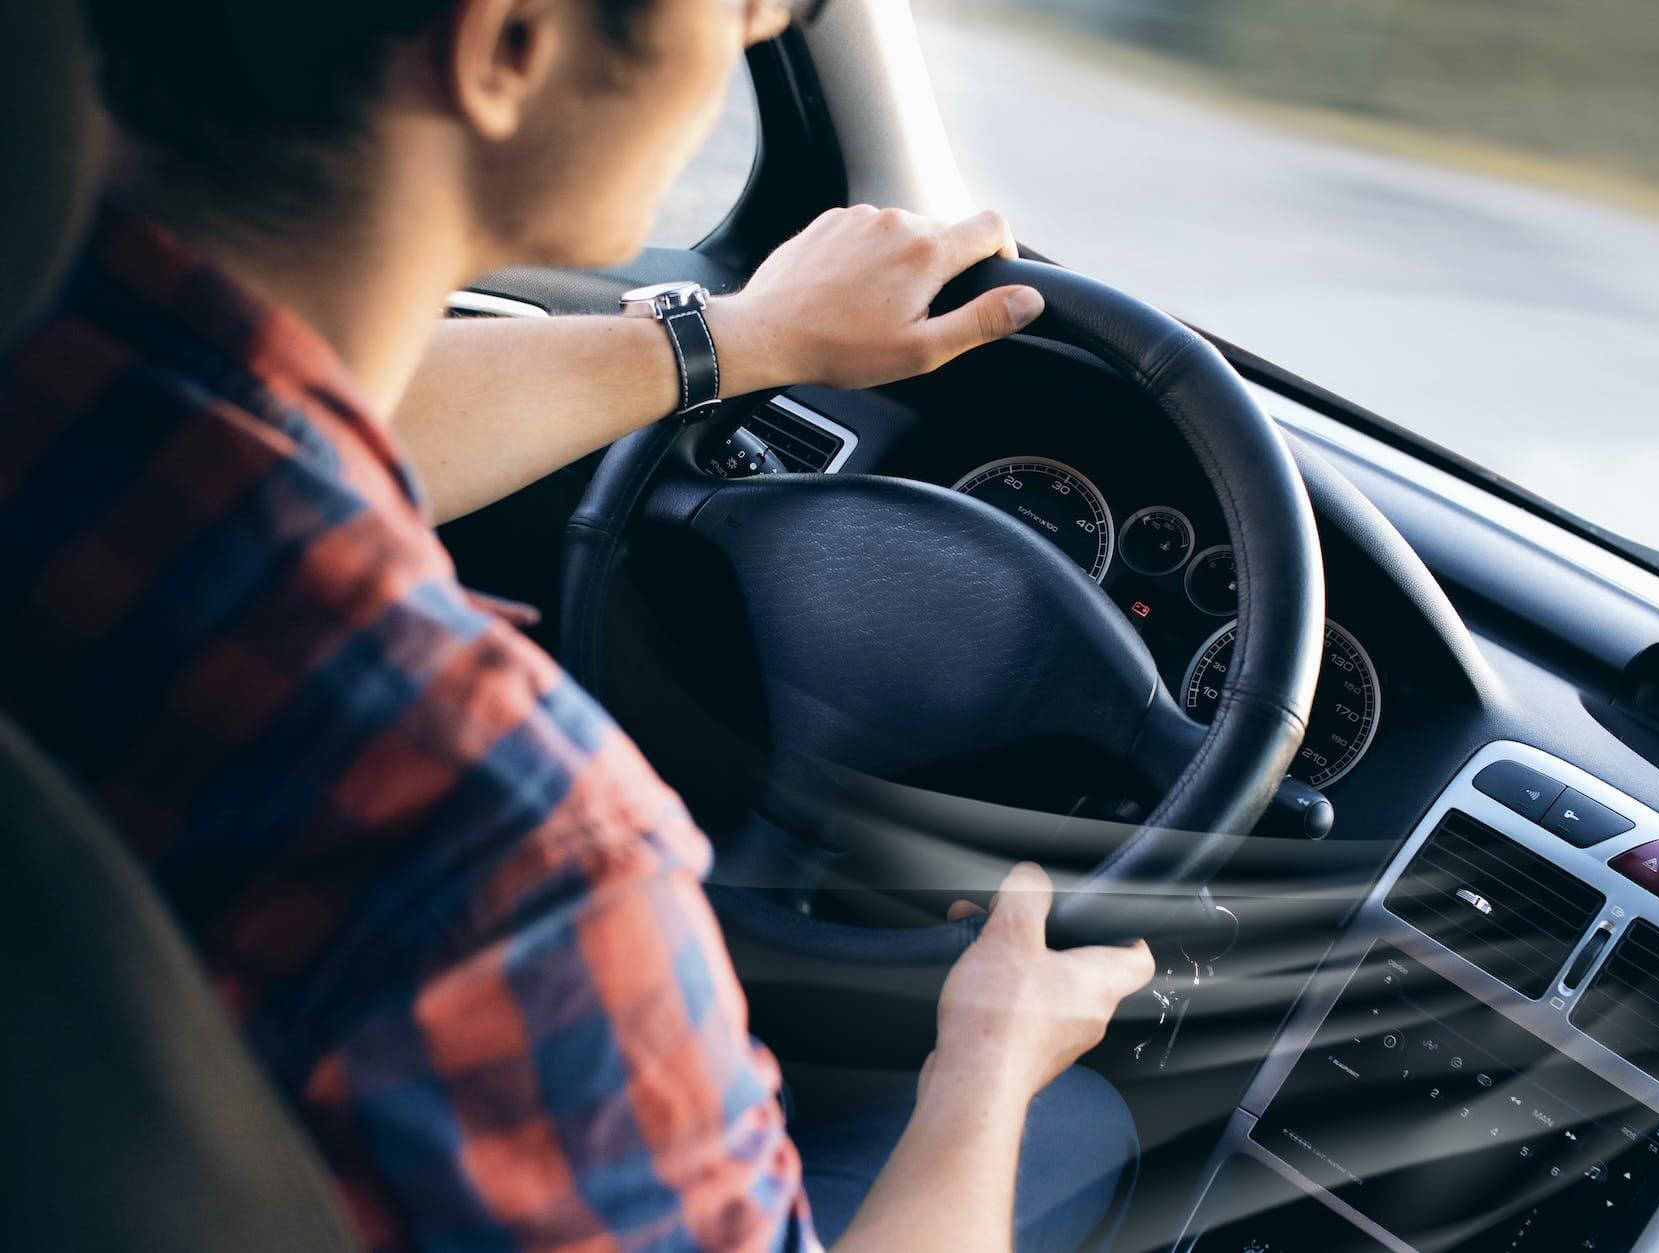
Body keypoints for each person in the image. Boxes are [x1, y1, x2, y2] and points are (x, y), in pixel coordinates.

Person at [0, 0, 1155, 1250]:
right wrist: (984, 1060)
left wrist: (743, 338)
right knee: (1071, 1123)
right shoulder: (506, 845)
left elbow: (302, 421)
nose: (760, 23)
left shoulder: (60, 375)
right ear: (508, 45)